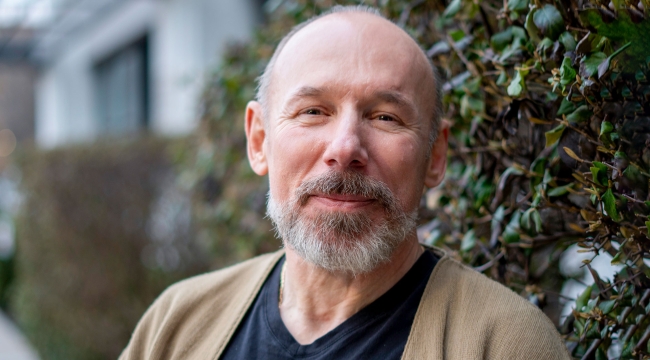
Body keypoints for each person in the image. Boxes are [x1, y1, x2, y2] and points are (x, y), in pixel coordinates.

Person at [120, 5, 571, 359]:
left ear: (435, 156)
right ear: (259, 141)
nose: (345, 147)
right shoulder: (176, 324)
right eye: (313, 111)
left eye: (385, 117)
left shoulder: (507, 343)